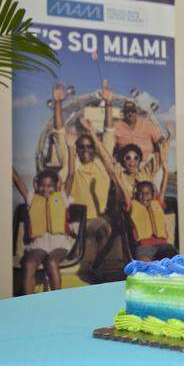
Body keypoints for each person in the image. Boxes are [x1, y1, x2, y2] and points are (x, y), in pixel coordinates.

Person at [86, 116, 176, 262]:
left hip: (144, 218)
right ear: (123, 161)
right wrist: (91, 132)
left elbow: (161, 156)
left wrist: (170, 138)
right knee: (110, 234)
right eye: (128, 158)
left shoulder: (146, 173)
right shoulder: (119, 174)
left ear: (139, 160)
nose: (132, 162)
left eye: (135, 158)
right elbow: (105, 157)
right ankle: (97, 266)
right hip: (124, 216)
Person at [50, 82, 113, 270]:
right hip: (74, 220)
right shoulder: (71, 163)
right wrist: (58, 102)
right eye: (81, 146)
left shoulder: (102, 165)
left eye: (89, 146)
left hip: (95, 220)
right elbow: (59, 132)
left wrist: (108, 104)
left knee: (106, 230)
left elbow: (109, 133)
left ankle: (97, 270)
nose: (86, 149)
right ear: (76, 149)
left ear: (95, 149)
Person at [15, 165, 74, 295]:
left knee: (52, 262)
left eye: (49, 186)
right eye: (42, 186)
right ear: (36, 186)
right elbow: (18, 181)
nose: (45, 189)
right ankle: (28, 302)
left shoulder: (63, 197)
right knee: (29, 264)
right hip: (38, 245)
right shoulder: (32, 199)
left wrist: (71, 152)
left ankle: (56, 299)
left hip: (58, 245)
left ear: (56, 186)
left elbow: (71, 174)